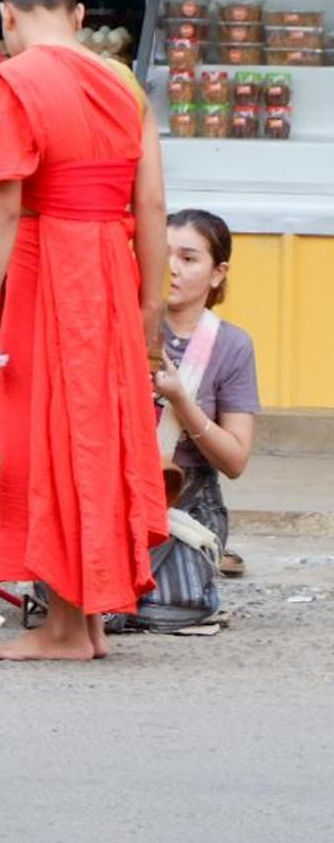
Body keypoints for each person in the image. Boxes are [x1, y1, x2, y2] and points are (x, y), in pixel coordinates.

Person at [0, 0, 169, 663]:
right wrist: (147, 317)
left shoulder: (12, 82)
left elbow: (1, 203)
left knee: (47, 437)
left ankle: (65, 628)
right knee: (94, 435)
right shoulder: (123, 83)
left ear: (6, 16)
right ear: (78, 18)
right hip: (110, 267)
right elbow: (154, 207)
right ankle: (90, 615)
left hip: (49, 270)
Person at [155, 209, 260, 576]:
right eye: (162, 253)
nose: (172, 267)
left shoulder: (231, 346)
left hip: (188, 505)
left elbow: (235, 462)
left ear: (218, 273)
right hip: (114, 494)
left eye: (187, 258)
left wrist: (182, 400)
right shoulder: (118, 327)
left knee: (161, 591)